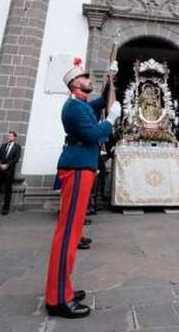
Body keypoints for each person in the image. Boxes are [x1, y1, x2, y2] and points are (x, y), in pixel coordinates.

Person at [44, 58, 120, 319]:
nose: (90, 80)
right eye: (86, 77)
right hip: (77, 168)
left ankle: (63, 288)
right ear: (76, 84)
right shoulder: (75, 108)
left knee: (73, 231)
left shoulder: (82, 104)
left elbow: (101, 102)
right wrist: (110, 120)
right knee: (68, 233)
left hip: (82, 167)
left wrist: (111, 79)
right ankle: (57, 297)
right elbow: (92, 135)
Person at [0, 131, 22, 215]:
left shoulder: (17, 147)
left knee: (8, 190)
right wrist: (0, 164)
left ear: (14, 137)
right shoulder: (3, 146)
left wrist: (7, 165)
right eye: (8, 136)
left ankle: (5, 209)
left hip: (9, 172)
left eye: (10, 136)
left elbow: (16, 159)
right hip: (0, 171)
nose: (8, 137)